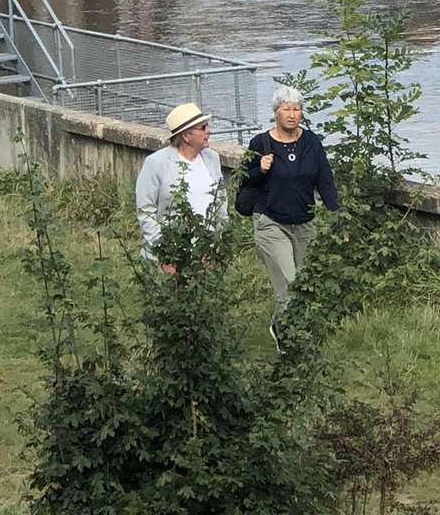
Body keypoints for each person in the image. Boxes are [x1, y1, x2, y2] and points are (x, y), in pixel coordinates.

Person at [245, 86, 339, 345]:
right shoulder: (260, 143)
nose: (292, 114)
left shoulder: (311, 142)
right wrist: (259, 169)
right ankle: (289, 344)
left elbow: (325, 181)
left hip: (305, 223)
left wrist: (339, 216)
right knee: (290, 285)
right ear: (276, 112)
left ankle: (283, 328)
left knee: (307, 287)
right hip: (271, 223)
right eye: (286, 109)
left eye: (296, 109)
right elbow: (244, 180)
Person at [135, 101, 227, 264]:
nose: (209, 131)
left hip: (206, 254)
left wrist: (218, 243)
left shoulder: (212, 158)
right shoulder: (156, 163)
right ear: (186, 136)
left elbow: (221, 203)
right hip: (170, 255)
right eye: (202, 128)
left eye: (207, 126)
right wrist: (165, 253)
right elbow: (146, 211)